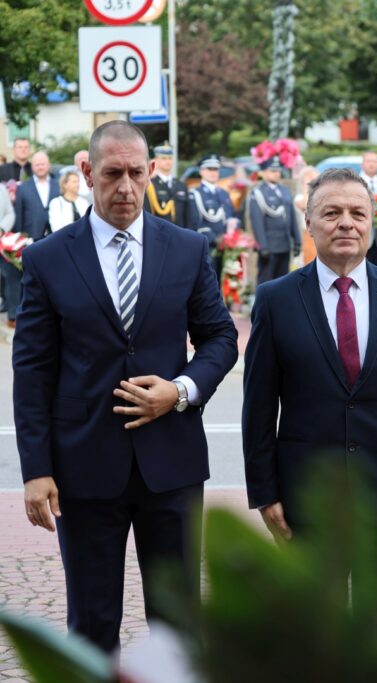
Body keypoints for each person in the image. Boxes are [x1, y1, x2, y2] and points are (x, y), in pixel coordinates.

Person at [12, 121, 238, 653]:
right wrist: (36, 470)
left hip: (173, 464)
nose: (126, 187)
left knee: (179, 624)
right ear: (87, 173)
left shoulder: (186, 248)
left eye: (137, 173)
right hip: (84, 467)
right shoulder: (47, 258)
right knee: (91, 625)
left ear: (152, 172)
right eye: (112, 174)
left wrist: (180, 390)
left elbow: (220, 339)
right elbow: (33, 370)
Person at [241, 167, 377, 631]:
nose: (346, 223)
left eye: (358, 213)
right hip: (306, 499)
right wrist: (265, 493)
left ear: (373, 222)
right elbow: (257, 407)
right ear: (309, 224)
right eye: (331, 213)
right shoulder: (277, 299)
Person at [5, 152, 59, 328]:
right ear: (32, 166)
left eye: (43, 164)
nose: (40, 167)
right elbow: (18, 215)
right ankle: (24, 313)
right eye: (37, 164)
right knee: (28, 278)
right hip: (30, 240)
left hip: (54, 239)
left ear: (48, 165)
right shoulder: (24, 188)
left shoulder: (58, 185)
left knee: (52, 277)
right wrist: (20, 239)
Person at [248, 156, 300, 285]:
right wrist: (263, 246)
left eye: (278, 170)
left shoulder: (285, 190)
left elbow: (292, 217)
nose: (277, 173)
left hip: (285, 244)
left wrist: (297, 241)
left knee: (283, 282)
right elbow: (257, 221)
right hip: (269, 246)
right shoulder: (258, 193)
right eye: (272, 171)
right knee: (266, 282)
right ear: (264, 172)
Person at [189, 154, 236, 278]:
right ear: (201, 171)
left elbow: (232, 216)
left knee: (227, 284)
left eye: (216, 169)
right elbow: (196, 223)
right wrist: (215, 239)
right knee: (209, 283)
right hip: (208, 247)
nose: (213, 172)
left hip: (227, 248)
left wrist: (233, 236)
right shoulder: (196, 194)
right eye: (210, 169)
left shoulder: (224, 194)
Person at [143, 143, 192, 229]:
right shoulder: (150, 185)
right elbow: (147, 213)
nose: (168, 161)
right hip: (159, 234)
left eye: (170, 158)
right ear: (156, 160)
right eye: (163, 158)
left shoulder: (181, 185)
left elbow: (188, 216)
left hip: (180, 234)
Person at [293, 166, 320, 265]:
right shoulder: (299, 198)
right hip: (308, 235)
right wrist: (306, 187)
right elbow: (305, 206)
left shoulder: (322, 196)